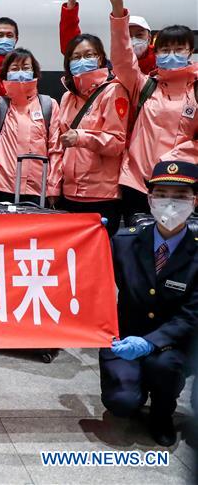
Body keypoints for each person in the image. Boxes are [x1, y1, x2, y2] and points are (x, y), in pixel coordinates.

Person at [101, 160, 198, 447]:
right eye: (163, 194)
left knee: (164, 366)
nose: (170, 203)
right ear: (150, 199)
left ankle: (162, 413)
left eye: (180, 197)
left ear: (194, 201)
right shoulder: (124, 242)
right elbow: (95, 282)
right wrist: (92, 239)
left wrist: (151, 343)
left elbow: (192, 315)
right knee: (121, 403)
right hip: (125, 336)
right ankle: (137, 386)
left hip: (173, 343)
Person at [107, 0, 198, 225]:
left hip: (180, 181)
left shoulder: (196, 89)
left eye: (179, 49)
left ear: (190, 52)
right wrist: (117, 9)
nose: (172, 54)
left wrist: (180, 155)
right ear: (155, 53)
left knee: (178, 245)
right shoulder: (145, 85)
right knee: (138, 246)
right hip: (137, 181)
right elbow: (123, 58)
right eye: (165, 50)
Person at [0, 24, 63, 206]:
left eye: (25, 67)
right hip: (0, 187)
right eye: (14, 68)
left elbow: (56, 150)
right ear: (5, 74)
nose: (20, 72)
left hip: (38, 189)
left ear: (34, 72)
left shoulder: (48, 105)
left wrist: (53, 187)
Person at [56, 33, 129, 235]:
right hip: (69, 193)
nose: (82, 61)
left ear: (100, 58)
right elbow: (58, 146)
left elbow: (117, 142)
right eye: (76, 57)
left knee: (99, 258)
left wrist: (81, 137)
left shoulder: (113, 91)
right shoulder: (66, 97)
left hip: (102, 195)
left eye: (89, 55)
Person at [60, 0, 156, 74]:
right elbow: (72, 46)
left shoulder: (162, 62)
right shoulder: (111, 69)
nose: (133, 40)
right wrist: (71, 5)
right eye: (128, 36)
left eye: (139, 35)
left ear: (149, 37)